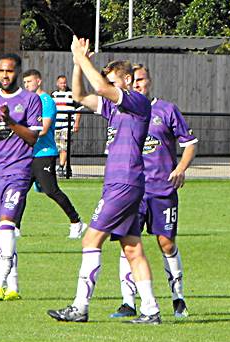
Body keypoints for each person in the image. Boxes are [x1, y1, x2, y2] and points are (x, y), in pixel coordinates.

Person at [47, 36, 161, 324]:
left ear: (125, 79)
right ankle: (150, 310)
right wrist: (77, 62)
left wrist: (83, 58)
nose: (108, 86)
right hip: (122, 183)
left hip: (124, 183)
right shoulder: (115, 107)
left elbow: (99, 87)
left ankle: (80, 307)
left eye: (113, 80)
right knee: (132, 248)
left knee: (91, 238)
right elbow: (79, 95)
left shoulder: (137, 102)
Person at [110, 64, 198, 319]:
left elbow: (190, 143)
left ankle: (178, 298)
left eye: (141, 80)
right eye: (133, 80)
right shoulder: (121, 109)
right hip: (131, 189)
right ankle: (128, 302)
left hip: (161, 189)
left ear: (149, 81)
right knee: (127, 244)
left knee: (166, 242)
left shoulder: (166, 109)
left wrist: (181, 167)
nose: (137, 85)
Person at [0, 54, 42, 301]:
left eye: (10, 71)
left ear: (18, 73)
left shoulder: (30, 100)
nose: (5, 75)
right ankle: (13, 287)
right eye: (2, 70)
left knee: (6, 225)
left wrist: (10, 121)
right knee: (3, 232)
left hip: (19, 170)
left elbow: (33, 137)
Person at [19, 69, 86, 239]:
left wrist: (19, 132)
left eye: (30, 81)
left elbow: (44, 129)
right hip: (28, 154)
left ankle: (76, 221)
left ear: (39, 81)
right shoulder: (26, 101)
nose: (27, 85)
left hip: (44, 153)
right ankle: (14, 228)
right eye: (25, 82)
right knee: (19, 192)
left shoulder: (46, 101)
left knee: (51, 190)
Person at [51, 75, 81, 176]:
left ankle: (61, 166)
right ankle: (68, 168)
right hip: (56, 125)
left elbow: (78, 109)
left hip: (67, 124)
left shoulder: (71, 94)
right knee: (58, 146)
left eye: (64, 82)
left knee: (64, 145)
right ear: (57, 83)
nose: (63, 85)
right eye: (61, 83)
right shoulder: (53, 95)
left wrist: (76, 123)